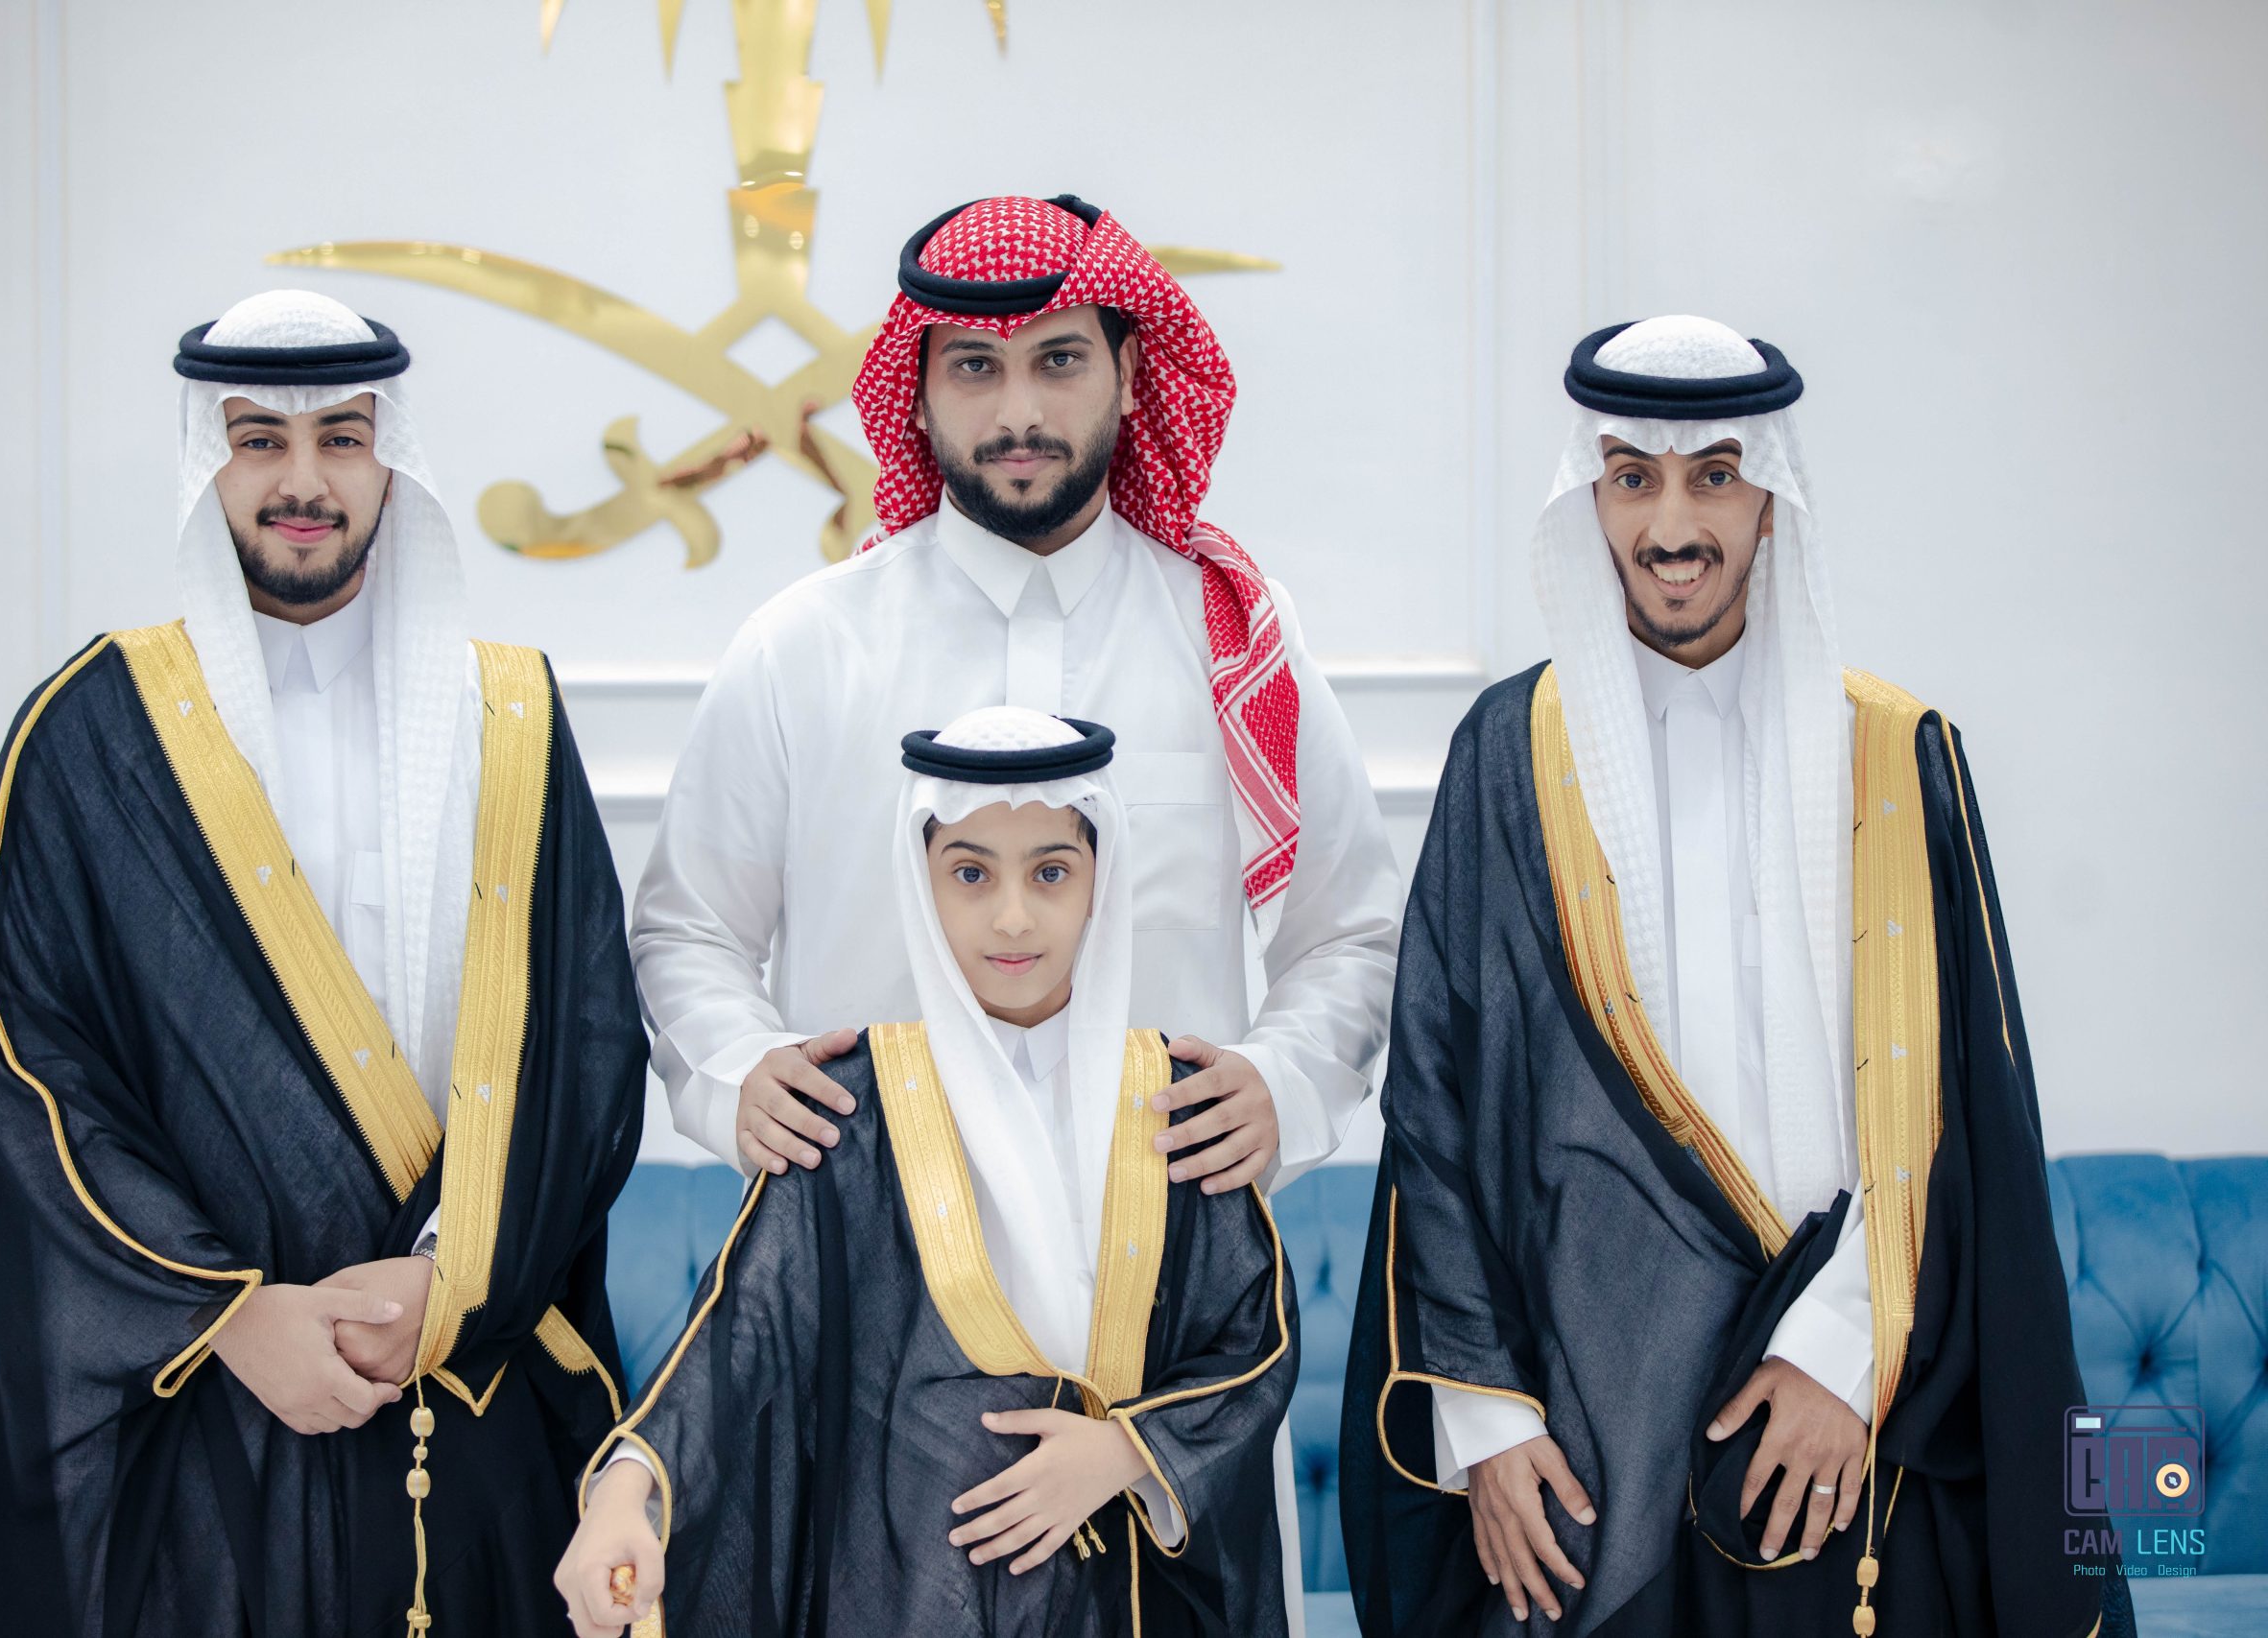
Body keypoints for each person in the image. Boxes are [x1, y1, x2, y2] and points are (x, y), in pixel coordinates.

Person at [632, 198, 1396, 1620]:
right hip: (875, 1324)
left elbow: (1348, 928)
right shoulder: (805, 646)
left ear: (1129, 370)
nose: (1019, 409)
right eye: (975, 368)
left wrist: (1284, 1084)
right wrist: (740, 1075)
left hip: (1165, 1325)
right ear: (917, 392)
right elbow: (688, 930)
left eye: (1058, 360)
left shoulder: (1228, 632)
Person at [1339, 317, 2132, 1635]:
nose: (1672, 524)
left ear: (1771, 499)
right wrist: (1484, 1418)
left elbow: (1962, 1115)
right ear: (1591, 499)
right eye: (1633, 477)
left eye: (1715, 474)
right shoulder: (1509, 754)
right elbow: (1435, 1102)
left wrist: (1842, 1350)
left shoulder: (1899, 757)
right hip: (1581, 1420)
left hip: (1843, 1416)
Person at [0, 290, 648, 1637]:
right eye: (259, 439)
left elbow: (587, 1042)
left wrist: (450, 1273)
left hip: (470, 1371)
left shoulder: (508, 715)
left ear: (393, 460)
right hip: (213, 1415)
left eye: (343, 437)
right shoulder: (87, 735)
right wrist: (227, 1312)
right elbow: (31, 1072)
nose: (304, 482)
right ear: (206, 462)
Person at [557, 707, 1297, 1636]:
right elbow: (745, 1332)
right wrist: (627, 1488)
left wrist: (1127, 1453)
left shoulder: (1181, 1099)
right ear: (922, 884)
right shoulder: (847, 1107)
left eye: (1051, 872)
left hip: (1141, 1594)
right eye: (971, 873)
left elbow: (1253, 1339)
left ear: (1100, 882)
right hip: (914, 1583)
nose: (1013, 915)